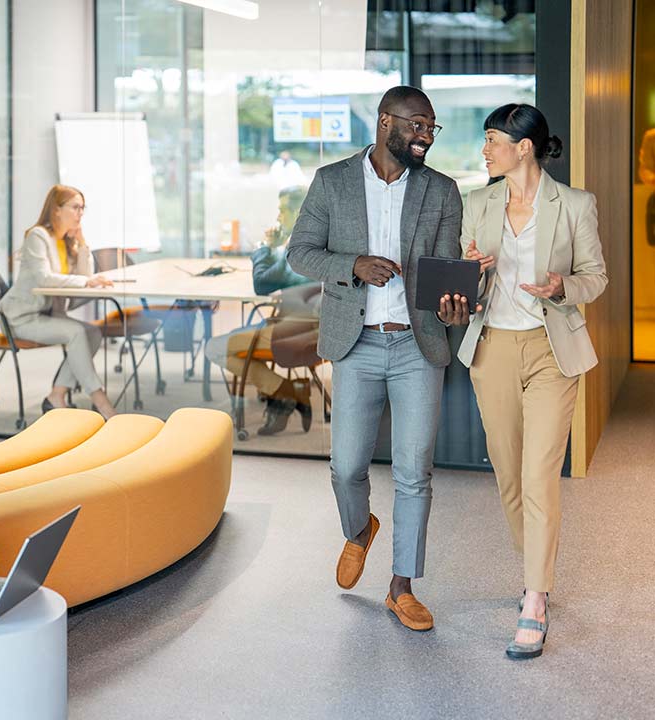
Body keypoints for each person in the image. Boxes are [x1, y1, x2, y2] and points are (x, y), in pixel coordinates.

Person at [286, 86, 466, 632]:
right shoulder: (333, 182)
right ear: (386, 121)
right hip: (355, 343)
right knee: (345, 468)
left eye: (432, 128)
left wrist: (454, 305)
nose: (425, 137)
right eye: (417, 125)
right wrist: (353, 264)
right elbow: (298, 253)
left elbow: (448, 266)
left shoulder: (442, 190)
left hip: (418, 345)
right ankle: (360, 529)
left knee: (415, 473)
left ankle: (401, 587)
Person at [458, 103, 607, 659]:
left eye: (492, 140)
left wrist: (561, 286)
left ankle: (535, 599)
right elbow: (458, 289)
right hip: (491, 347)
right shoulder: (478, 201)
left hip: (551, 351)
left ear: (523, 147)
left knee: (540, 473)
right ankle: (535, 569)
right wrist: (472, 273)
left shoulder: (573, 205)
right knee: (509, 475)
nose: (485, 150)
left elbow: (597, 277)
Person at [0, 185, 118, 419]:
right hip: (21, 318)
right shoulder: (38, 236)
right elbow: (45, 278)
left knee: (92, 333)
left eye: (82, 208)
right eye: (75, 207)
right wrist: (87, 282)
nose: (80, 213)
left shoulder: (65, 241)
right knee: (76, 332)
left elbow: (85, 276)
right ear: (56, 209)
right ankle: (100, 400)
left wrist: (82, 243)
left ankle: (56, 395)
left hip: (47, 315)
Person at [205, 186, 316, 435]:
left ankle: (287, 393)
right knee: (234, 344)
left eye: (283, 211)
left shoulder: (301, 248)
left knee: (214, 347)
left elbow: (262, 284)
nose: (278, 218)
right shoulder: (315, 240)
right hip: (306, 326)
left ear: (300, 212)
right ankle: (288, 392)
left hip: (294, 331)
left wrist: (264, 247)